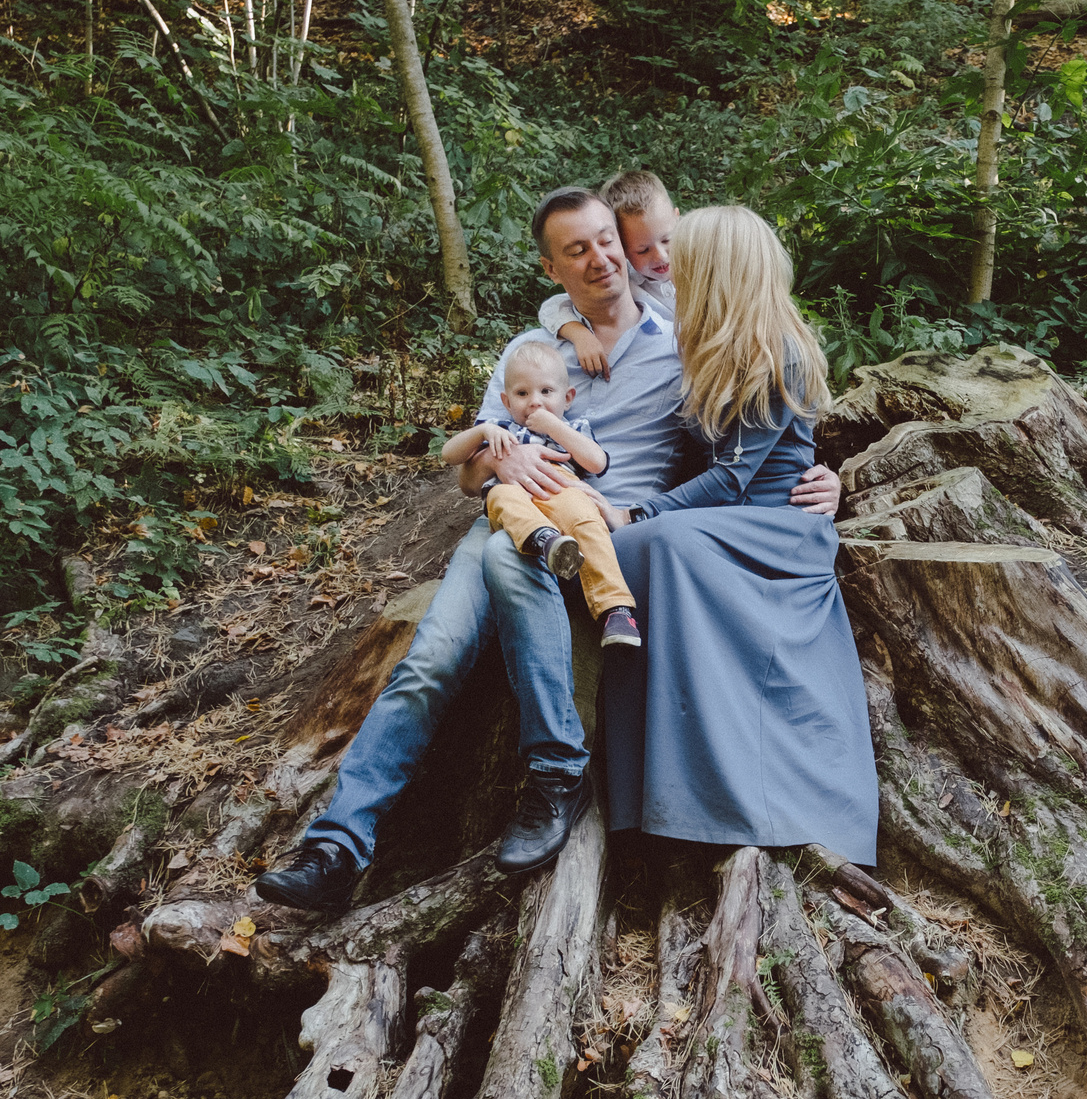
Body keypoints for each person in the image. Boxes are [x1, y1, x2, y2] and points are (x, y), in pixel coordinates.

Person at [253, 187, 840, 911]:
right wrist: (500, 457)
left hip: (604, 529)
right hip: (509, 512)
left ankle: (558, 772)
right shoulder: (530, 352)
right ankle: (336, 847)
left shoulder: (682, 338)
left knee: (511, 560)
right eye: (576, 251)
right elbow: (467, 471)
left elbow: (745, 428)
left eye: (608, 242)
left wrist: (820, 475)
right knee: (430, 659)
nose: (601, 259)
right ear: (550, 270)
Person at [600, 205, 880, 866]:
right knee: (629, 556)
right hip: (728, 522)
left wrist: (641, 513)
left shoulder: (780, 347)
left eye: (687, 262)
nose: (672, 271)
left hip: (775, 528)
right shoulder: (704, 342)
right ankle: (639, 802)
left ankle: (701, 804)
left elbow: (733, 478)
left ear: (720, 272)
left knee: (655, 544)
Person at [440, 339, 641, 650]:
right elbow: (449, 454)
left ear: (568, 397)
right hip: (514, 494)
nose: (535, 402)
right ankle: (546, 541)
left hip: (561, 490)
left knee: (587, 520)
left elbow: (597, 462)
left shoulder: (574, 429)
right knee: (502, 498)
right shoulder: (502, 429)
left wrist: (554, 427)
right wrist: (483, 432)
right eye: (522, 393)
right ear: (506, 401)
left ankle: (616, 609)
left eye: (546, 392)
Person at [542, 170, 678, 380]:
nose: (660, 257)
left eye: (667, 240)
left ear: (677, 219)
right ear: (621, 247)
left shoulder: (706, 265)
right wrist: (579, 334)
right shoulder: (626, 284)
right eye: (642, 250)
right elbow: (553, 307)